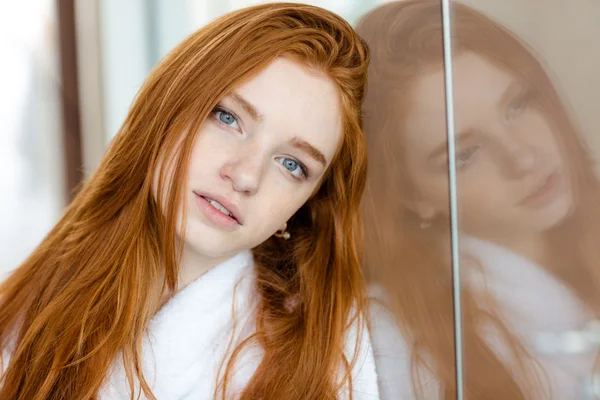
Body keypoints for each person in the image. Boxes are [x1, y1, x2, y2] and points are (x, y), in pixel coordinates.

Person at [0, 3, 381, 399]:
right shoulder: (32, 305)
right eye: (228, 118)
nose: (246, 176)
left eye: (291, 164)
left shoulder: (326, 362)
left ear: (303, 206)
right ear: (169, 107)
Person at [356, 1, 600, 399]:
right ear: (410, 197)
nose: (522, 157)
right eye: (464, 155)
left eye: (518, 105)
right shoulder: (393, 343)